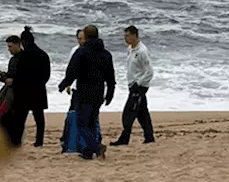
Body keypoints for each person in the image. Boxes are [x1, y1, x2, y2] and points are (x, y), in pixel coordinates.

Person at [57, 25, 115, 160]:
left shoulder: (81, 53)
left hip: (84, 92)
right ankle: (88, 152)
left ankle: (97, 147)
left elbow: (72, 71)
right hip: (99, 92)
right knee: (91, 122)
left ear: (87, 37)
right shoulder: (106, 54)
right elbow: (111, 77)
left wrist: (64, 84)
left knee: (82, 123)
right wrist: (110, 93)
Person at [112, 25, 155, 146]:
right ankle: (149, 137)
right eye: (124, 36)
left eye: (127, 36)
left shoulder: (142, 51)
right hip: (132, 84)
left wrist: (139, 83)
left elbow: (149, 71)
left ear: (135, 36)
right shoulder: (130, 49)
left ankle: (124, 139)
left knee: (129, 113)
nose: (125, 38)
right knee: (142, 113)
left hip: (139, 87)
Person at [9, 26, 50, 147]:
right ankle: (39, 141)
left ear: (23, 42)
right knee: (39, 118)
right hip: (38, 89)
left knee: (20, 118)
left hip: (23, 91)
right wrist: (40, 83)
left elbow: (19, 75)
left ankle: (16, 141)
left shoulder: (23, 56)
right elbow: (47, 75)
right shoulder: (43, 54)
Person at [58, 28, 89, 149]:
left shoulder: (90, 51)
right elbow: (71, 69)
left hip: (87, 89)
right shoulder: (75, 51)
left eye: (83, 38)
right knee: (71, 114)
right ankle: (65, 138)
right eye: (79, 38)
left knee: (87, 117)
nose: (81, 40)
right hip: (76, 87)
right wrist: (68, 84)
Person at [0, 35, 22, 127]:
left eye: (10, 46)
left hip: (17, 90)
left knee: (5, 111)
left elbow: (26, 76)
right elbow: (10, 74)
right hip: (9, 87)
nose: (9, 49)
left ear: (17, 44)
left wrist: (13, 81)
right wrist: (2, 75)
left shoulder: (25, 58)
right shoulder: (13, 59)